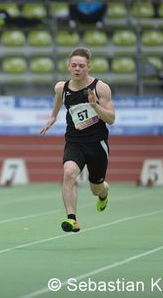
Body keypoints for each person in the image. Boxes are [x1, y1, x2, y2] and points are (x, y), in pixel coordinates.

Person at [41, 47, 115, 233]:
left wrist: (94, 105)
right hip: (74, 142)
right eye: (74, 65)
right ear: (68, 67)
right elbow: (59, 98)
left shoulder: (100, 87)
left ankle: (103, 193)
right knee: (69, 173)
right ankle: (72, 219)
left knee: (96, 188)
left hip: (97, 144)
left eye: (81, 66)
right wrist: (53, 116)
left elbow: (111, 119)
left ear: (88, 66)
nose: (77, 69)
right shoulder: (61, 87)